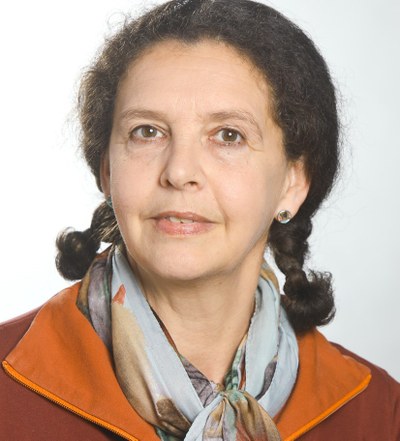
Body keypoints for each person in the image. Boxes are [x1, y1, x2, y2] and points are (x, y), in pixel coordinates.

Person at [1, 0, 399, 439]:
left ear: (293, 182)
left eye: (228, 135)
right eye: (147, 131)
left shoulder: (378, 414)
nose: (179, 171)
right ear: (107, 170)